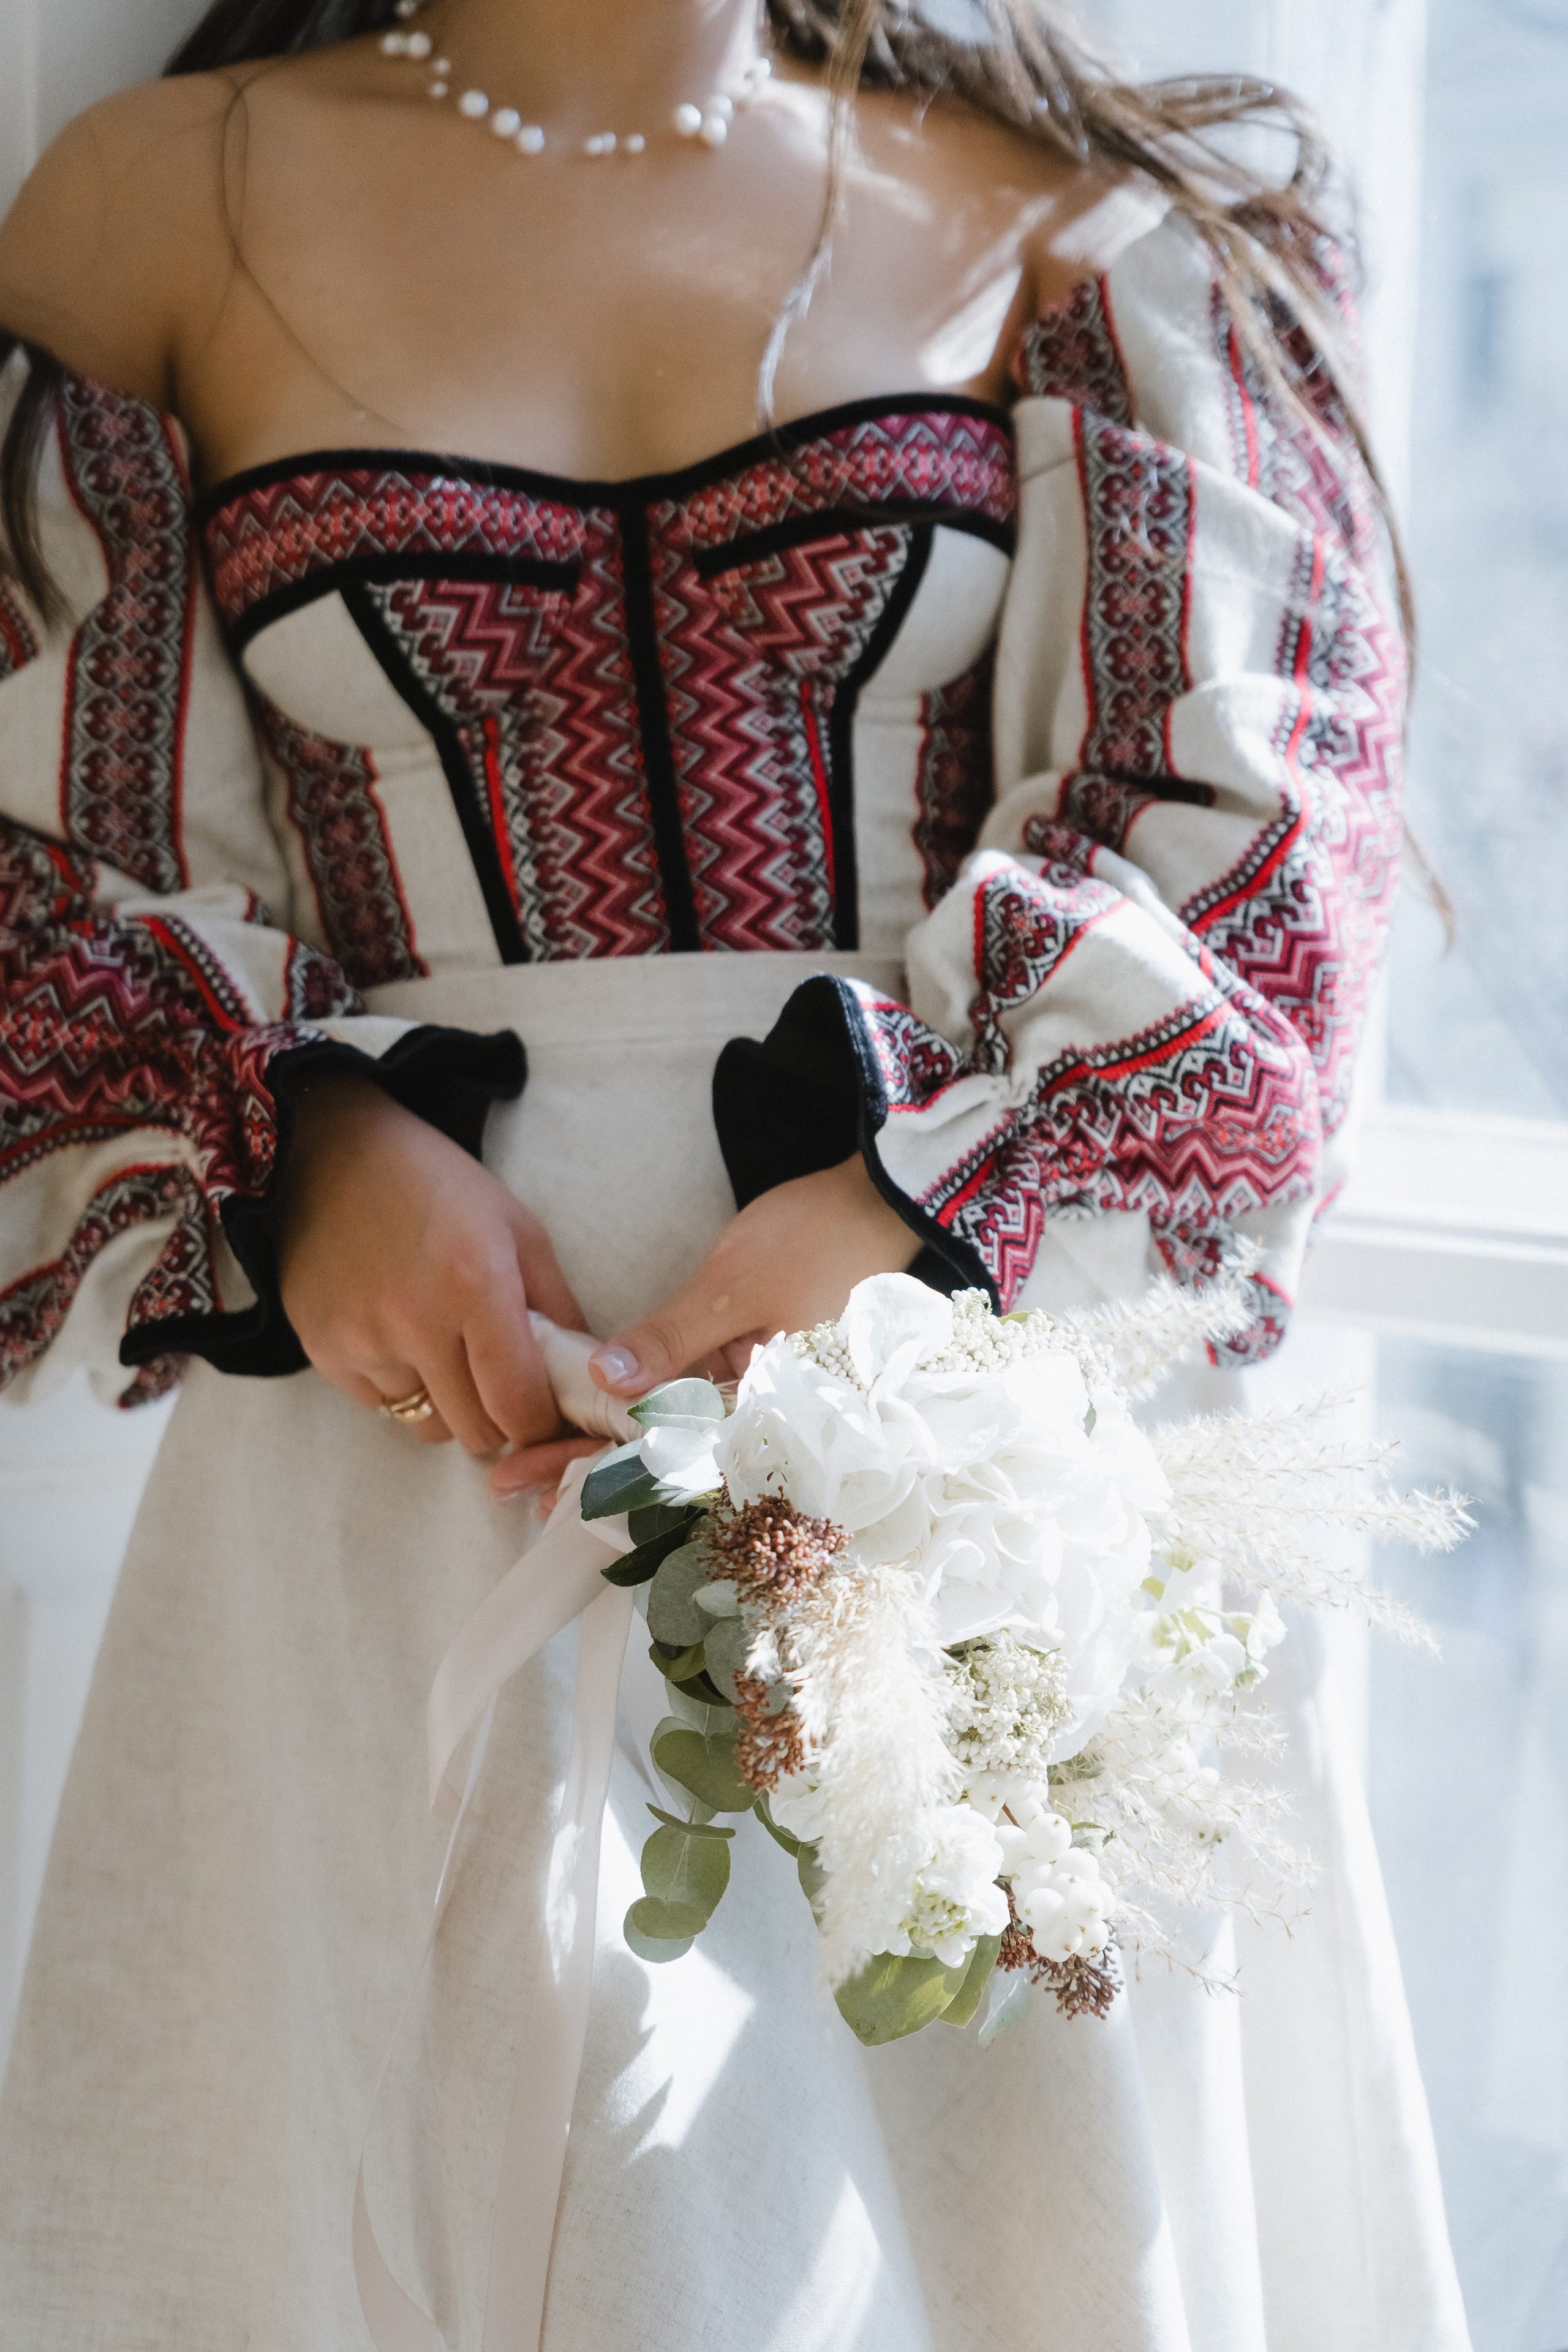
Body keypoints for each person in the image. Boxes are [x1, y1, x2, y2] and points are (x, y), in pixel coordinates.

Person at [0, 1, 1468, 2345]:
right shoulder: (157, 204)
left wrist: (910, 1208)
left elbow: (1270, 842)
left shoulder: (1079, 227)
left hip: (959, 1442)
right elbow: (35, 850)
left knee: (1011, 2236)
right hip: (384, 1449)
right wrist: (307, 1153)